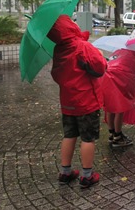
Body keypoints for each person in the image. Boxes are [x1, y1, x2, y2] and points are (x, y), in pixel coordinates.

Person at [47, 15, 107, 188]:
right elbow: (99, 68)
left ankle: (65, 172)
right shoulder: (82, 46)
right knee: (88, 138)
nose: (74, 22)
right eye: (71, 21)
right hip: (86, 102)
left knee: (69, 135)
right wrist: (101, 56)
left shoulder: (59, 49)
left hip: (68, 102)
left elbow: (58, 74)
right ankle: (87, 176)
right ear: (66, 27)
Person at [103, 49, 135, 148]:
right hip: (119, 84)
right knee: (119, 109)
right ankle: (118, 136)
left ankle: (112, 133)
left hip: (106, 81)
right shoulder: (132, 58)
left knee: (109, 108)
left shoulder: (119, 51)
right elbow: (132, 71)